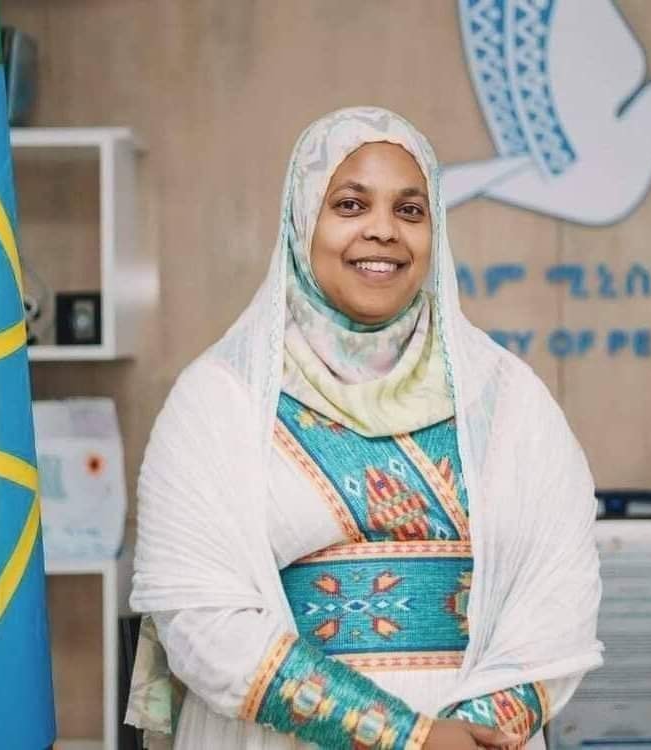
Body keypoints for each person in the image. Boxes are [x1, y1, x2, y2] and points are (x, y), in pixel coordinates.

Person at [125, 107, 603, 750]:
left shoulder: (507, 396)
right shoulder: (221, 399)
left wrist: (474, 737)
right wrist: (407, 738)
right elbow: (202, 622)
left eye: (410, 210)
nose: (383, 230)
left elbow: (558, 595)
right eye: (350, 205)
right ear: (302, 221)